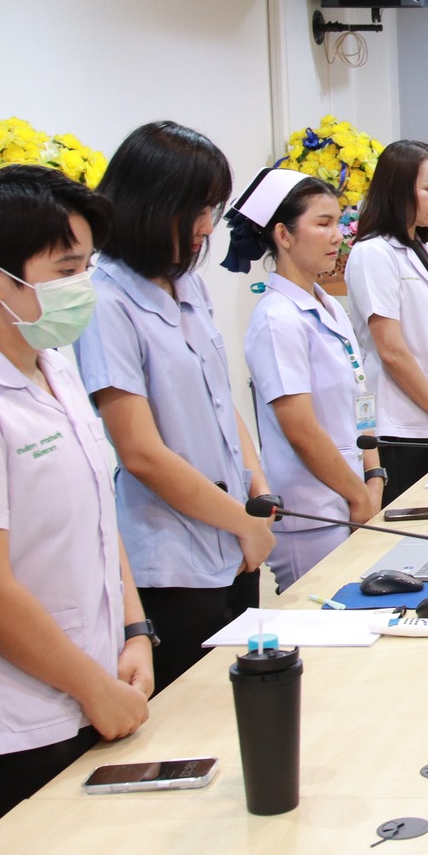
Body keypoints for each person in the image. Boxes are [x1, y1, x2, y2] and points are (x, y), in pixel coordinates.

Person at [0, 166, 154, 852]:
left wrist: (134, 630)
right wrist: (92, 687)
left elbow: (99, 517)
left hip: (93, 691)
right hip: (7, 726)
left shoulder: (54, 368)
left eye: (87, 266)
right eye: (66, 269)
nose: (84, 286)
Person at [76, 122, 273, 692]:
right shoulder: (105, 300)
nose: (207, 227)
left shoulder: (187, 285)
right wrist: (243, 522)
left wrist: (257, 494)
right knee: (193, 715)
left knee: (247, 700)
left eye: (212, 209)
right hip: (173, 561)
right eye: (196, 210)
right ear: (150, 204)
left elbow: (221, 403)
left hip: (235, 539)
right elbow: (140, 452)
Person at [225, 168, 386, 593]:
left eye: (339, 222)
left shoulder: (328, 306)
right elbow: (300, 428)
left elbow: (360, 400)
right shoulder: (277, 319)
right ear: (283, 234)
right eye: (323, 223)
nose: (338, 236)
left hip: (354, 500)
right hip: (313, 514)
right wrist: (359, 495)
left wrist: (375, 477)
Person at [347, 139, 428, 502]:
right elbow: (391, 350)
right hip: (403, 430)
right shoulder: (373, 253)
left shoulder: (426, 252)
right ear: (398, 189)